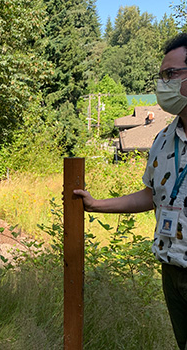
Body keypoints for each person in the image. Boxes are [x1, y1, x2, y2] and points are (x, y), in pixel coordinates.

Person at [74, 33, 187, 350]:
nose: (162, 83)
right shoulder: (163, 140)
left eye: (170, 74)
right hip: (172, 271)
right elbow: (151, 195)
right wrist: (97, 205)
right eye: (161, 75)